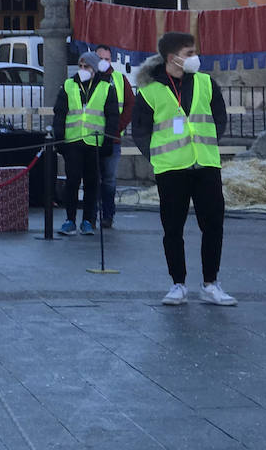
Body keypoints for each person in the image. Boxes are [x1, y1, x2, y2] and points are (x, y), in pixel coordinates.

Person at [133, 32, 236, 307]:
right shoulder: (149, 91)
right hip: (170, 168)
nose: (195, 57)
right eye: (189, 53)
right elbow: (140, 130)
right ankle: (177, 284)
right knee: (172, 228)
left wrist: (212, 141)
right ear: (172, 58)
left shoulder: (205, 82)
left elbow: (219, 116)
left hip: (206, 164)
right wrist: (155, 156)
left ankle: (210, 284)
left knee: (213, 225)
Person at [51, 50, 120, 237]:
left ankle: (88, 221)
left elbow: (112, 117)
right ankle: (70, 220)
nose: (82, 70)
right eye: (80, 66)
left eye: (87, 66)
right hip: (73, 142)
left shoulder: (107, 87)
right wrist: (60, 139)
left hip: (94, 142)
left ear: (95, 68)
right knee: (72, 181)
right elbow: (60, 114)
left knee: (92, 183)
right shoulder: (68, 85)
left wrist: (108, 141)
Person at [94, 45, 135, 229]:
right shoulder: (88, 77)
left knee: (109, 180)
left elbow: (130, 106)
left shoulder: (119, 79)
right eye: (100, 58)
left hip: (112, 138)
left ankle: (108, 215)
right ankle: (91, 216)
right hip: (90, 138)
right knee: (92, 179)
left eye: (107, 59)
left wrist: (117, 128)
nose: (104, 62)